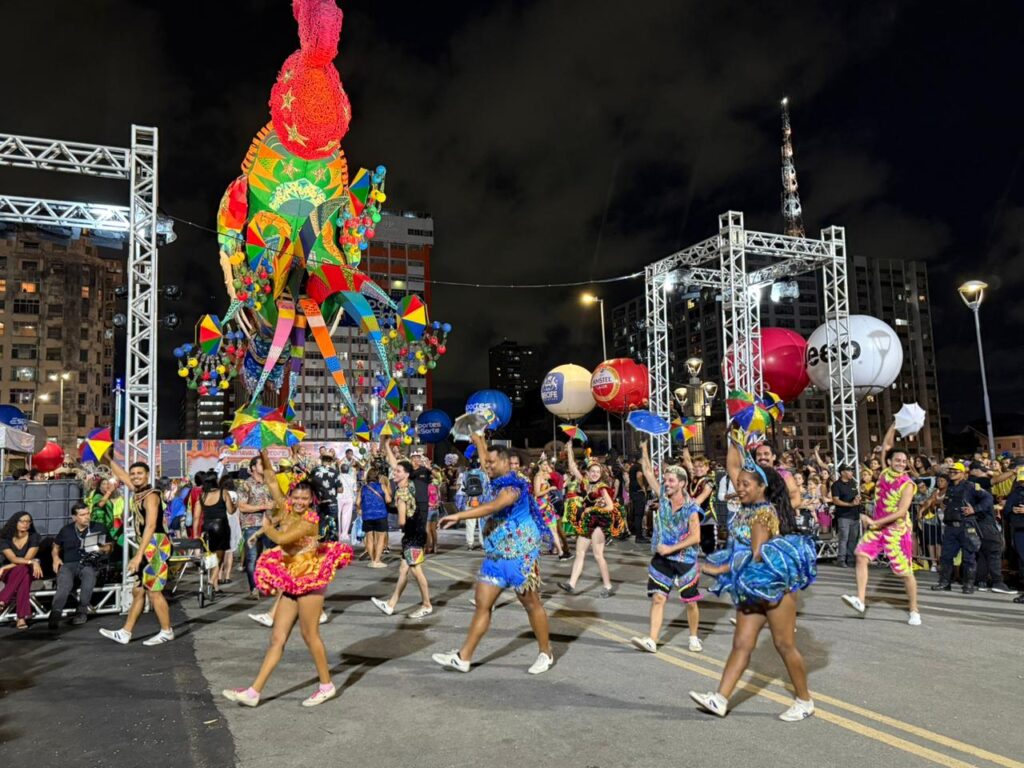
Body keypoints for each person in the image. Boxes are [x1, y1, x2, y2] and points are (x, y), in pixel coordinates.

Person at [689, 436, 816, 722]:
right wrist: (736, 440)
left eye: (747, 485)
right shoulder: (747, 509)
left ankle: (804, 700)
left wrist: (714, 569)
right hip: (751, 589)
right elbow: (734, 467)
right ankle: (720, 699)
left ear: (762, 487)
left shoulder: (761, 514)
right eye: (740, 484)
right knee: (742, 644)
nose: (740, 488)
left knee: (784, 645)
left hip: (774, 590)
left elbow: (756, 556)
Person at [223, 449, 352, 707]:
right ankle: (254, 692)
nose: (300, 501)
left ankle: (326, 685)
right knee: (277, 638)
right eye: (297, 497)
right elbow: (271, 479)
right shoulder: (286, 507)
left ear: (311, 499)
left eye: (305, 498)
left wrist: (267, 528)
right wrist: (263, 452)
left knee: (309, 634)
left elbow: (282, 539)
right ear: (291, 495)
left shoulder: (311, 520)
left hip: (310, 579)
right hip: (292, 577)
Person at [433, 431, 554, 675]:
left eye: (492, 462)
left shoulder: (514, 486)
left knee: (531, 604)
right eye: (486, 462)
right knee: (482, 604)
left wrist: (458, 514)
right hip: (496, 555)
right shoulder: (497, 479)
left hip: (521, 554)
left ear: (507, 463)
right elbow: (485, 458)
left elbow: (493, 506)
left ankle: (546, 652)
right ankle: (463, 657)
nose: (487, 465)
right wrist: (479, 441)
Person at [841, 421, 921, 625]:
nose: (901, 463)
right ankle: (860, 600)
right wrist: (894, 424)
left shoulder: (908, 485)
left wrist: (874, 522)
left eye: (904, 461)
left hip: (897, 530)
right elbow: (886, 444)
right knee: (861, 555)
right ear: (891, 460)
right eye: (897, 459)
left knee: (904, 573)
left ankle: (914, 610)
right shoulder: (885, 472)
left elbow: (902, 512)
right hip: (878, 527)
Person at [630, 441, 704, 654]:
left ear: (681, 483)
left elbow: (695, 536)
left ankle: (693, 636)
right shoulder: (662, 496)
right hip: (662, 558)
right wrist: (644, 450)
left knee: (690, 602)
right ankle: (652, 640)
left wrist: (672, 549)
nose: (666, 483)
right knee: (659, 597)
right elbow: (647, 471)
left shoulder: (691, 507)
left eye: (671, 480)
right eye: (666, 479)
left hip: (684, 560)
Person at [100, 460, 175, 646]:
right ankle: (126, 632)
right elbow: (122, 474)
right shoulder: (138, 491)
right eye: (133, 474)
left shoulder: (151, 495)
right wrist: (107, 457)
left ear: (148, 475)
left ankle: (167, 631)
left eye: (139, 473)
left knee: (154, 592)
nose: (135, 477)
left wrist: (139, 555)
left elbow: (150, 525)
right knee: (139, 591)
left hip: (156, 545)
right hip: (148, 546)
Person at [369, 456, 432, 619]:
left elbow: (402, 521)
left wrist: (400, 516)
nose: (394, 473)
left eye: (398, 471)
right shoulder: (410, 486)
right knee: (403, 570)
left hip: (412, 537)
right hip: (415, 535)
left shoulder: (402, 492)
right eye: (394, 470)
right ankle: (390, 605)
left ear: (406, 474)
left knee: (417, 571)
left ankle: (426, 604)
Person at [558, 447, 616, 597]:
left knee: (598, 555)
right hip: (587, 521)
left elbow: (610, 507)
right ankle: (571, 584)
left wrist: (594, 508)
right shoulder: (585, 483)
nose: (595, 474)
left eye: (597, 471)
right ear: (588, 473)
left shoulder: (602, 488)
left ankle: (608, 586)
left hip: (599, 521)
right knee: (579, 552)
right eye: (592, 471)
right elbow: (572, 467)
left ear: (601, 473)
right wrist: (570, 449)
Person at [48, 503, 113, 628]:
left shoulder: (99, 527)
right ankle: (56, 612)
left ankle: (82, 611)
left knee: (88, 576)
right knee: (64, 583)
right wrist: (55, 558)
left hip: (89, 562)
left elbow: (110, 547)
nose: (87, 517)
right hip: (69, 563)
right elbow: (55, 546)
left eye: (88, 513)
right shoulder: (66, 530)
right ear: (74, 517)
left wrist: (101, 548)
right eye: (82, 515)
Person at [931, 462, 992, 594]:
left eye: (955, 471)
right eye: (950, 471)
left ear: (963, 474)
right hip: (950, 527)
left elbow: (988, 498)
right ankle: (945, 582)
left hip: (966, 526)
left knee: (968, 557)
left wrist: (975, 509)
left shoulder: (971, 486)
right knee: (946, 556)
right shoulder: (950, 487)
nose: (952, 473)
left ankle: (968, 585)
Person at [238, 457, 276, 600]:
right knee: (252, 558)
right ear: (253, 467)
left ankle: (267, 584)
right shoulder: (246, 484)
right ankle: (254, 588)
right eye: (261, 464)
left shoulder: (268, 484)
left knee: (270, 556)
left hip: (267, 525)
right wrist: (263, 507)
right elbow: (241, 506)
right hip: (251, 525)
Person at [193, 470, 235, 594]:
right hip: (221, 526)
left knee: (211, 557)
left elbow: (196, 517)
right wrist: (236, 505)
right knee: (219, 558)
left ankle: (215, 586)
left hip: (207, 528)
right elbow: (230, 511)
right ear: (216, 481)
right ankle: (211, 581)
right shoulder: (223, 493)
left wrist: (196, 534)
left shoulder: (202, 496)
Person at [0, 512, 42, 630]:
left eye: (28, 521)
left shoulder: (34, 537)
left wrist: (4, 567)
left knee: (23, 569)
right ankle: (21, 618)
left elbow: (27, 559)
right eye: (22, 521)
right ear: (15, 522)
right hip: (10, 573)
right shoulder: (4, 538)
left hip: (30, 570)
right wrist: (32, 562)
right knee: (23, 574)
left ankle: (2, 599)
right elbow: (13, 559)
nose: (25, 524)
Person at [358, 467, 390, 568]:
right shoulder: (382, 486)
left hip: (367, 516)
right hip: (380, 515)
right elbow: (388, 500)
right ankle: (377, 560)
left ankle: (372, 560)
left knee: (369, 538)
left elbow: (357, 502)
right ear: (377, 477)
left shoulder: (363, 488)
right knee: (380, 538)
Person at [533, 458, 564, 557]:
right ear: (539, 465)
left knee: (553, 529)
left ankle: (560, 551)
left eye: (547, 464)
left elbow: (558, 476)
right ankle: (560, 552)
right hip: (541, 505)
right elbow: (537, 493)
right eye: (545, 464)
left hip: (548, 505)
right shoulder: (538, 477)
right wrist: (550, 488)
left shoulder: (545, 476)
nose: (547, 466)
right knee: (544, 529)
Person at [831, 465, 861, 567]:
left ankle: (851, 560)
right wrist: (850, 504)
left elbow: (855, 497)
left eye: (852, 470)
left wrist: (857, 499)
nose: (852, 472)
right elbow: (835, 500)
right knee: (844, 538)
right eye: (849, 470)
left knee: (853, 538)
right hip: (843, 515)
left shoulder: (853, 483)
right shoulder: (836, 485)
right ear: (842, 472)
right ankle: (841, 560)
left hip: (854, 515)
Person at [309, 451, 342, 542]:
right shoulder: (334, 472)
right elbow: (340, 489)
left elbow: (309, 485)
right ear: (331, 461)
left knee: (321, 527)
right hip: (332, 503)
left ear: (321, 459)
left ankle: (321, 549)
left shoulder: (314, 471)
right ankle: (333, 551)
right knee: (333, 528)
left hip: (319, 503)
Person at [1002, 467, 1024, 604]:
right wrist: (1013, 510)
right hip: (1019, 530)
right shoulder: (1016, 493)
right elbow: (1007, 510)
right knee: (1023, 561)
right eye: (1021, 480)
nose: (1022, 483)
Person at [627, 455, 649, 543]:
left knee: (637, 515)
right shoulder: (639, 467)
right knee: (639, 515)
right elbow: (639, 476)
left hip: (633, 492)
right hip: (638, 492)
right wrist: (643, 487)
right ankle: (639, 536)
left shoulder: (632, 467)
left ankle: (638, 535)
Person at [337, 461, 357, 543]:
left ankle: (338, 534)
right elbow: (355, 490)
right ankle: (344, 534)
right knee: (346, 516)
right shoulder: (352, 478)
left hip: (339, 497)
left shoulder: (338, 477)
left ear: (340, 470)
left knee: (338, 515)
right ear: (348, 470)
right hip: (349, 498)